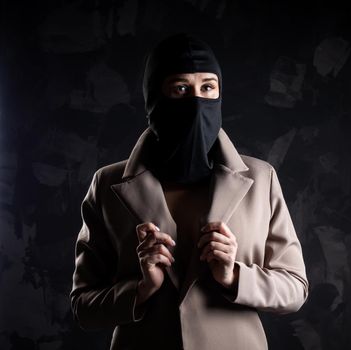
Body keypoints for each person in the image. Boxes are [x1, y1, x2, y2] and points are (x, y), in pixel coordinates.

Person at [70, 33, 309, 350]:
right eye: (180, 88)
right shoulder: (107, 184)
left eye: (208, 87)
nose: (197, 102)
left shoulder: (262, 179)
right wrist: (141, 288)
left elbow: (295, 289)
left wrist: (234, 276)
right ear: (155, 97)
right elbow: (84, 307)